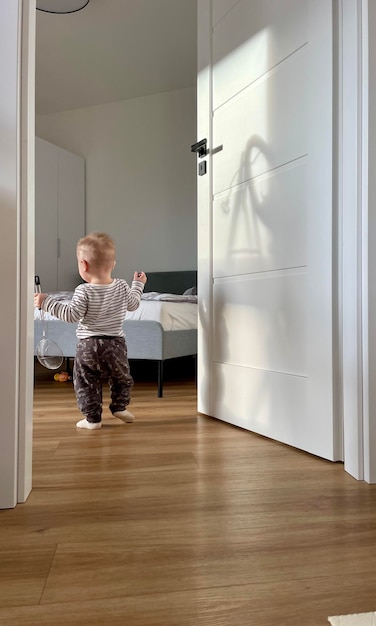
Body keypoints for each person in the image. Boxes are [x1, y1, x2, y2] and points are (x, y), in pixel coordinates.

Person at [34, 232, 147, 430]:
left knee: (86, 380)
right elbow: (134, 304)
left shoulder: (83, 290)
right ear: (113, 264)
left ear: (83, 265)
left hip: (89, 346)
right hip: (116, 345)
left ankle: (93, 419)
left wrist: (47, 302)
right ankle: (120, 406)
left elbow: (71, 315)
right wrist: (138, 284)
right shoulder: (121, 286)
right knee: (121, 376)